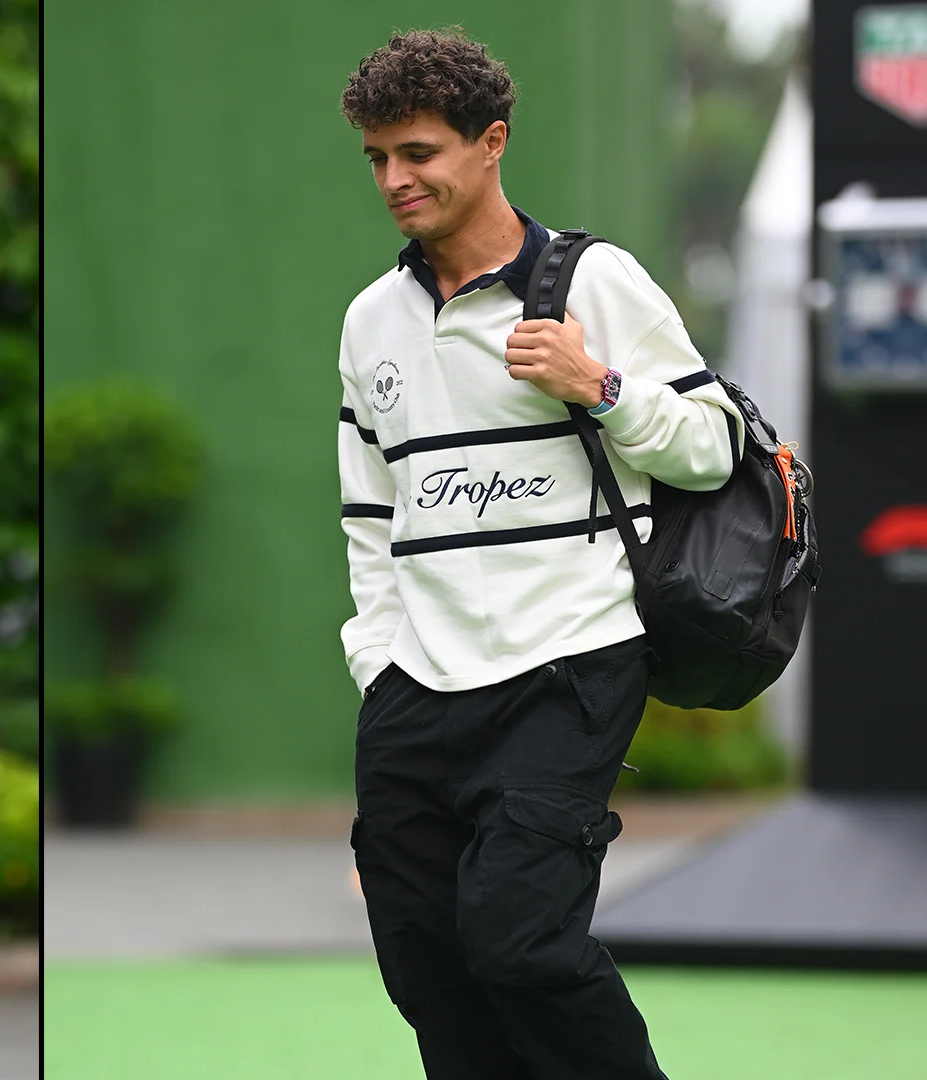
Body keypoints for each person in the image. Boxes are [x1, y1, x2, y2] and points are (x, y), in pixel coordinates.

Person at [334, 29, 738, 1079]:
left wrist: (598, 386)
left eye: (417, 152)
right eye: (378, 158)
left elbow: (713, 447)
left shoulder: (595, 281)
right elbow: (370, 517)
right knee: (425, 965)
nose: (395, 179)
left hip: (569, 660)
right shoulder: (370, 321)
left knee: (519, 940)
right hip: (416, 683)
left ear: (491, 142)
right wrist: (377, 664)